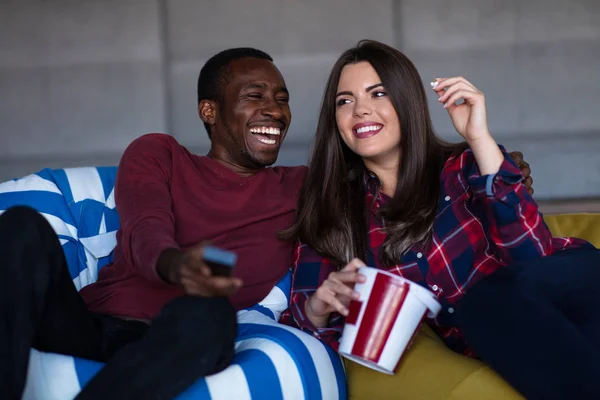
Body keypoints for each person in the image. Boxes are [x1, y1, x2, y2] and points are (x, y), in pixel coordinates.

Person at [0, 46, 533, 400]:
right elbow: (143, 230)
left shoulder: (307, 188)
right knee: (21, 225)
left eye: (281, 100)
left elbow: (396, 171)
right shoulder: (159, 154)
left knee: (209, 314)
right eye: (254, 97)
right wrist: (177, 263)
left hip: (187, 336)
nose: (273, 111)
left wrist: (486, 163)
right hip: (95, 323)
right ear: (210, 111)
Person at [281, 39, 599, 400]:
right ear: (335, 119)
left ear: (407, 102)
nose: (360, 111)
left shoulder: (462, 167)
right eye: (345, 101)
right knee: (482, 314)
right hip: (505, 341)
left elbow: (534, 257)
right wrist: (318, 309)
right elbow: (306, 326)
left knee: (485, 303)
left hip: (575, 290)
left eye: (378, 93)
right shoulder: (333, 213)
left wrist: (478, 138)